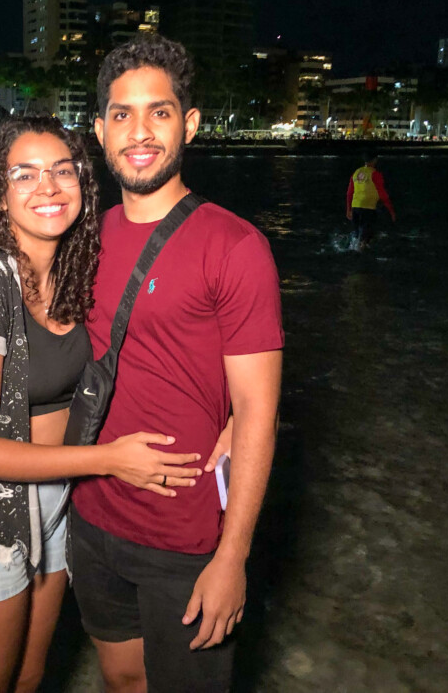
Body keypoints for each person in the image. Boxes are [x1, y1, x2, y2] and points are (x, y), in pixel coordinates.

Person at [0, 115, 204, 693]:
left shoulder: (73, 274)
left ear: (83, 185)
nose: (47, 186)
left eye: (62, 171)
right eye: (24, 174)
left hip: (52, 509)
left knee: (29, 678)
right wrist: (109, 460)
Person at [68, 34, 284, 693]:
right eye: (122, 114)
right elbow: (41, 343)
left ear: (189, 124)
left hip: (185, 539)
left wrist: (232, 556)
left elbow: (257, 409)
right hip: (91, 516)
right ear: (100, 130)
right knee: (121, 679)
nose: (139, 132)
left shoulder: (234, 245)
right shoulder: (85, 235)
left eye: (158, 112)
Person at [345, 152, 396, 250]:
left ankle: (353, 250)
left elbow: (349, 193)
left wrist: (348, 209)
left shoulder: (356, 173)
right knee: (366, 237)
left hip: (355, 207)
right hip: (368, 208)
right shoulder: (375, 174)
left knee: (357, 235)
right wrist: (391, 211)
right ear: (375, 160)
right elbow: (383, 194)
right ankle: (360, 252)